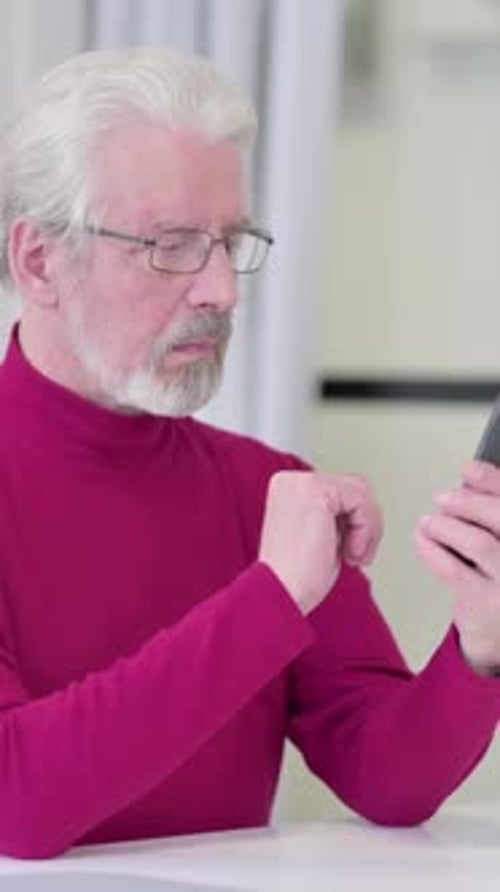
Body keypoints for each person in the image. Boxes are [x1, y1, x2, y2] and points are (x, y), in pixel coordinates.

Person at [0, 47, 499, 861]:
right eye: (171, 245)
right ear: (38, 261)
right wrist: (270, 599)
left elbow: (388, 776)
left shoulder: (263, 488)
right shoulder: (277, 536)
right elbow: (14, 800)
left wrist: (481, 643)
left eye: (231, 243)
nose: (223, 290)